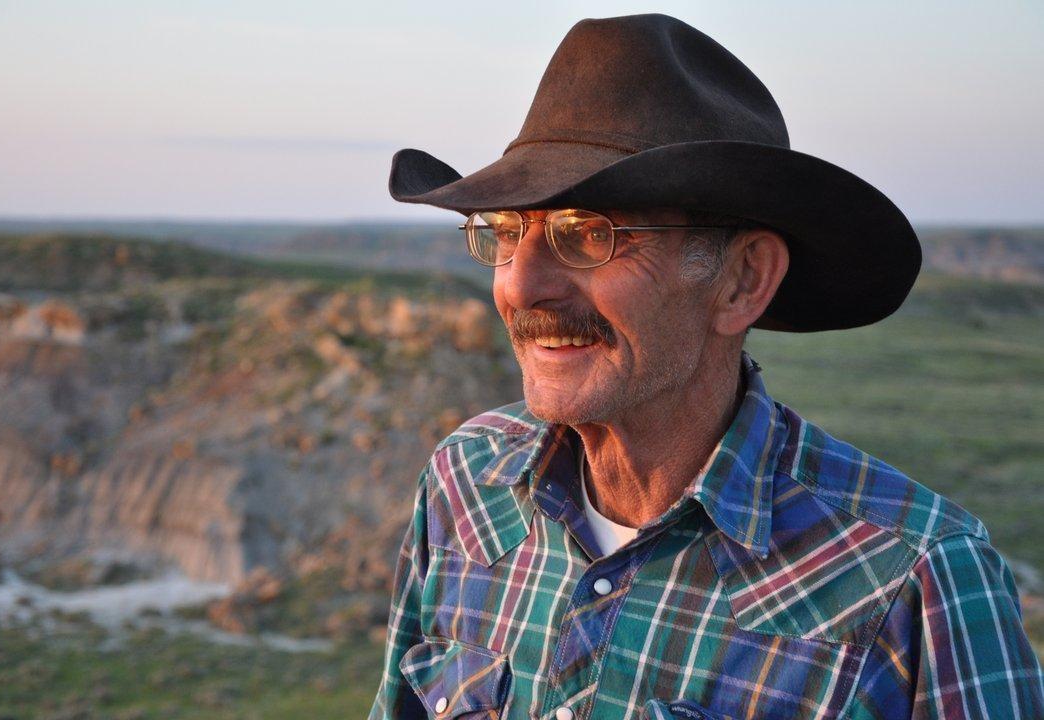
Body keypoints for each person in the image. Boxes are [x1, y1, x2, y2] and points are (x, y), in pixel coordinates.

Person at [369, 14, 1044, 720]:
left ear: (743, 281)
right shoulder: (463, 484)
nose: (519, 285)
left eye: (587, 234)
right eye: (507, 233)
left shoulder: (915, 580)